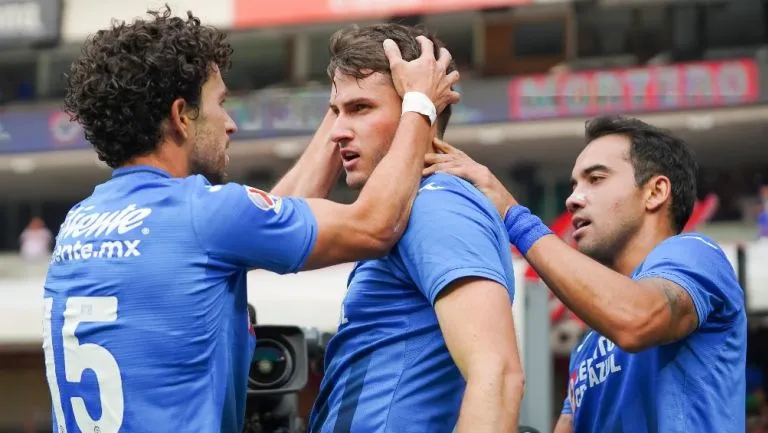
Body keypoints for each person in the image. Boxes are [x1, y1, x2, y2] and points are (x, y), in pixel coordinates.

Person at [43, 7, 458, 433]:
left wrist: (341, 108)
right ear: (181, 116)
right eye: (220, 103)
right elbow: (374, 227)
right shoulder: (206, 213)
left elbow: (268, 217)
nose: (230, 124)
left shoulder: (83, 219)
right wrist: (418, 104)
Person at [424, 115, 747, 432]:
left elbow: (637, 319)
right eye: (574, 185)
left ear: (655, 192)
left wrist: (513, 215)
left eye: (596, 179)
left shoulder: (697, 253)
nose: (572, 199)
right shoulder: (588, 347)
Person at [299, 24, 524, 433]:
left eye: (360, 108)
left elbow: (499, 376)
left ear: (417, 110)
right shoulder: (404, 211)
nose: (337, 132)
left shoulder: (437, 204)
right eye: (336, 112)